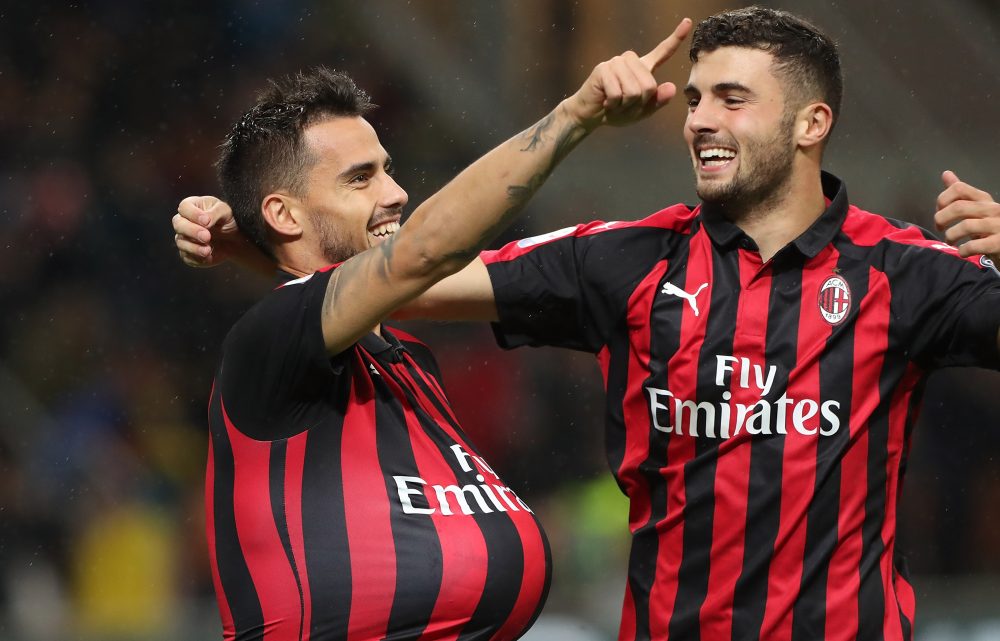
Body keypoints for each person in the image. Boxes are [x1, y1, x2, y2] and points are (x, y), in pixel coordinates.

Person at [174, 7, 1000, 641]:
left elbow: (399, 276)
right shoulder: (628, 259)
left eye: (732, 98)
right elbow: (417, 271)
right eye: (698, 95)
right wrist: (260, 240)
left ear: (812, 123)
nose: (700, 118)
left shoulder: (907, 272)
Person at [173, 20, 693, 641]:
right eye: (360, 178)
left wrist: (253, 247)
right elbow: (423, 253)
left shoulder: (403, 355)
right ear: (283, 213)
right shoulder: (267, 337)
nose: (396, 193)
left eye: (387, 169)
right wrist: (576, 115)